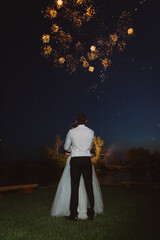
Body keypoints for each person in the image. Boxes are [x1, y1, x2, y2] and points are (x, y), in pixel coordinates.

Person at [51, 115, 103, 220]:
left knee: (75, 187)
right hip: (86, 159)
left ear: (76, 121)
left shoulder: (71, 132)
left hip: (75, 159)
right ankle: (91, 213)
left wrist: (73, 149)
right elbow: (89, 146)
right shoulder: (91, 132)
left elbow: (66, 147)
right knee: (89, 186)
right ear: (86, 121)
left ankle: (73, 214)